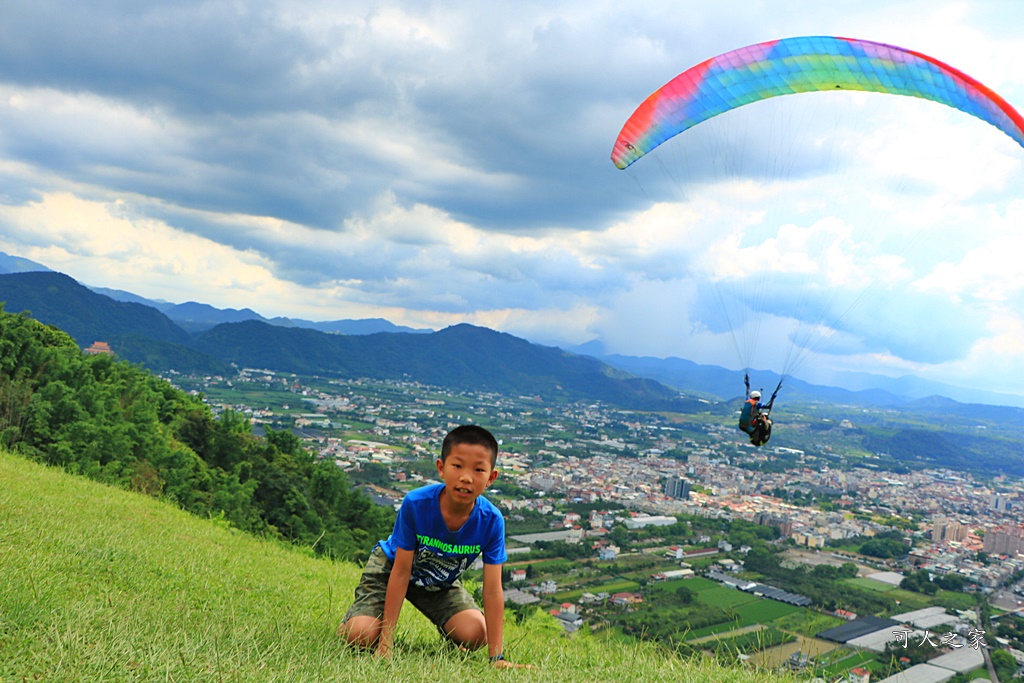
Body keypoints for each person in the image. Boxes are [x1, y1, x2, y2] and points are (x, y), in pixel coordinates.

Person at [338, 424, 527, 669]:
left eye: (478, 469)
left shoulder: (491, 521)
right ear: (441, 468)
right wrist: (385, 645)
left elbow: (492, 590)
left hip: (439, 581)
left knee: (476, 634)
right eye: (457, 466)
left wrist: (497, 658)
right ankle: (350, 623)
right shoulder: (416, 503)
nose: (466, 477)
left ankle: (450, 631)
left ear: (491, 477)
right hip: (391, 570)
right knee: (361, 636)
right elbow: (401, 571)